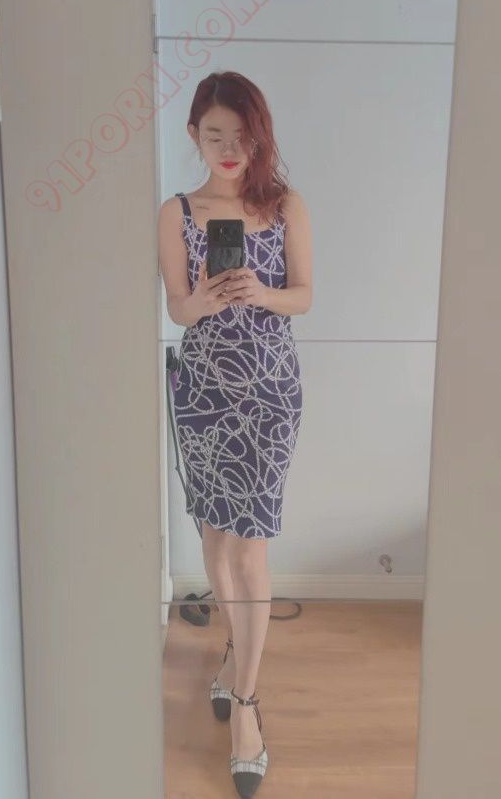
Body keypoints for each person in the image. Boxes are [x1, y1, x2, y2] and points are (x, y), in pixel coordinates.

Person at [157, 70, 312, 797]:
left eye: (242, 136)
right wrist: (204, 297)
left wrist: (262, 291)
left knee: (251, 549)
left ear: (259, 137)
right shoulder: (176, 212)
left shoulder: (285, 206)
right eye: (215, 134)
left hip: (270, 393)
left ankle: (245, 703)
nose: (229, 148)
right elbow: (177, 311)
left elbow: (304, 296)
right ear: (194, 134)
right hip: (204, 395)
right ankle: (231, 658)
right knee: (216, 541)